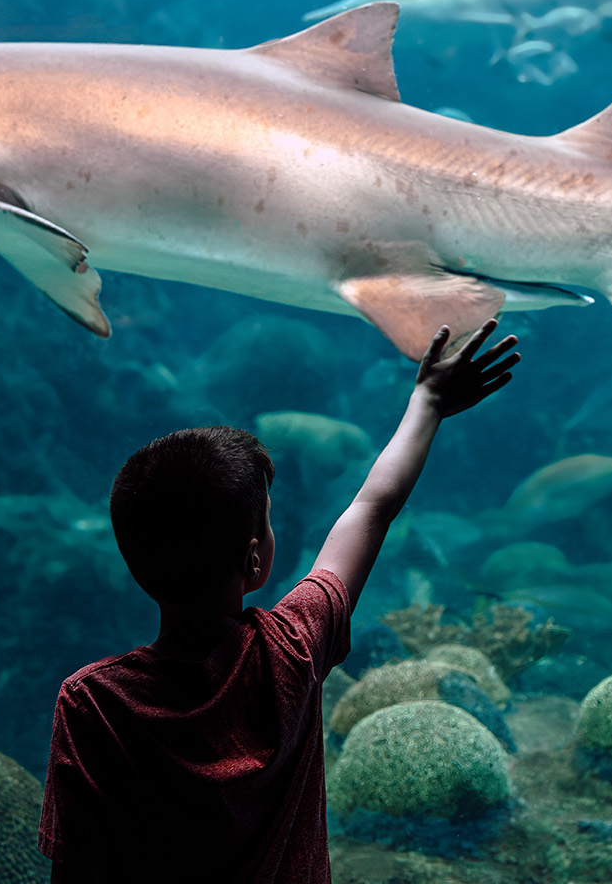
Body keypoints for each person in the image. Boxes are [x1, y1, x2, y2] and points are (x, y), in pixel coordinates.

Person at [40, 320, 520, 883]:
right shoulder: (291, 648)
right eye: (268, 524)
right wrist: (428, 403)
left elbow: (76, 868)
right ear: (254, 560)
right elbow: (371, 508)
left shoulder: (93, 703)